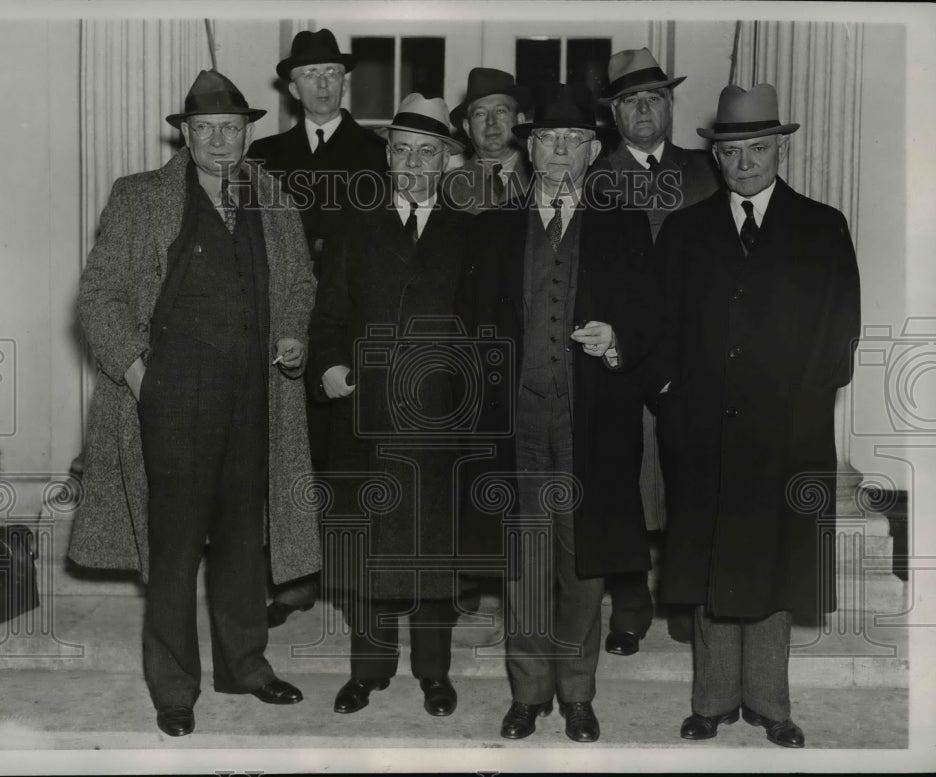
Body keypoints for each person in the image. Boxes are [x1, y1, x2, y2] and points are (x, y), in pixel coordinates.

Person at [70, 70, 319, 737]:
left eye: (231, 128)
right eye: (205, 129)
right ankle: (174, 686)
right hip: (171, 396)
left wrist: (293, 332)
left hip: (254, 395)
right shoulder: (140, 197)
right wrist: (141, 376)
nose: (219, 140)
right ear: (184, 133)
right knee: (174, 549)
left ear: (248, 132)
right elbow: (98, 298)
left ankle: (245, 665)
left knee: (244, 541)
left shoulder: (273, 195)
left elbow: (300, 283)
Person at [651, 84, 860, 748]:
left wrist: (800, 404)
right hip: (703, 430)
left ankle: (771, 702)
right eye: (732, 151)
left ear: (781, 148)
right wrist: (673, 397)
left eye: (758, 149)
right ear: (716, 157)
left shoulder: (822, 226)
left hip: (787, 430)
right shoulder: (685, 229)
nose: (744, 163)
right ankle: (711, 699)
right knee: (711, 562)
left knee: (774, 566)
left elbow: (839, 332)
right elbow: (662, 327)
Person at [456, 83, 658, 743]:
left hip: (590, 420)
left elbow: (657, 325)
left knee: (582, 560)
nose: (561, 149)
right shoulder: (491, 228)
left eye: (574, 139)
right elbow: (466, 328)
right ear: (529, 146)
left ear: (595, 149)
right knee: (524, 560)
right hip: (515, 424)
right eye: (548, 138)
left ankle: (577, 694)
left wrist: (618, 341)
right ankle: (527, 693)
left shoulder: (625, 227)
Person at [309, 94, 472, 718]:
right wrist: (328, 366)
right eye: (401, 151)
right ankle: (368, 671)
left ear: (446, 162)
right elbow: (327, 316)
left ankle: (434, 674)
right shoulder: (357, 225)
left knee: (435, 549)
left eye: (426, 153)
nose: (412, 164)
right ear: (388, 157)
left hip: (439, 417)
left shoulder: (468, 230)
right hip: (367, 416)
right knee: (370, 548)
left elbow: (482, 323)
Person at [248, 27, 388, 626]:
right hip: (284, 321)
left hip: (349, 322)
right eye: (311, 75)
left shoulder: (380, 153)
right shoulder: (264, 158)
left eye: (333, 73)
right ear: (292, 86)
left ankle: (356, 583)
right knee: (287, 453)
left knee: (349, 455)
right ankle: (295, 580)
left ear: (345, 81)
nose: (323, 83)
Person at [593, 47, 722, 656]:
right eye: (629, 101)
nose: (643, 110)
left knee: (688, 480)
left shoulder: (707, 171)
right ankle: (629, 606)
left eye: (654, 98)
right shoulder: (592, 176)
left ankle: (683, 599)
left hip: (692, 353)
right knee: (621, 480)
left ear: (670, 106)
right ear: (613, 115)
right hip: (618, 353)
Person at [443, 67, 532, 213]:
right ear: (467, 127)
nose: (491, 122)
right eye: (480, 114)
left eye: (500, 111)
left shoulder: (544, 177)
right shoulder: (446, 187)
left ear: (520, 121)